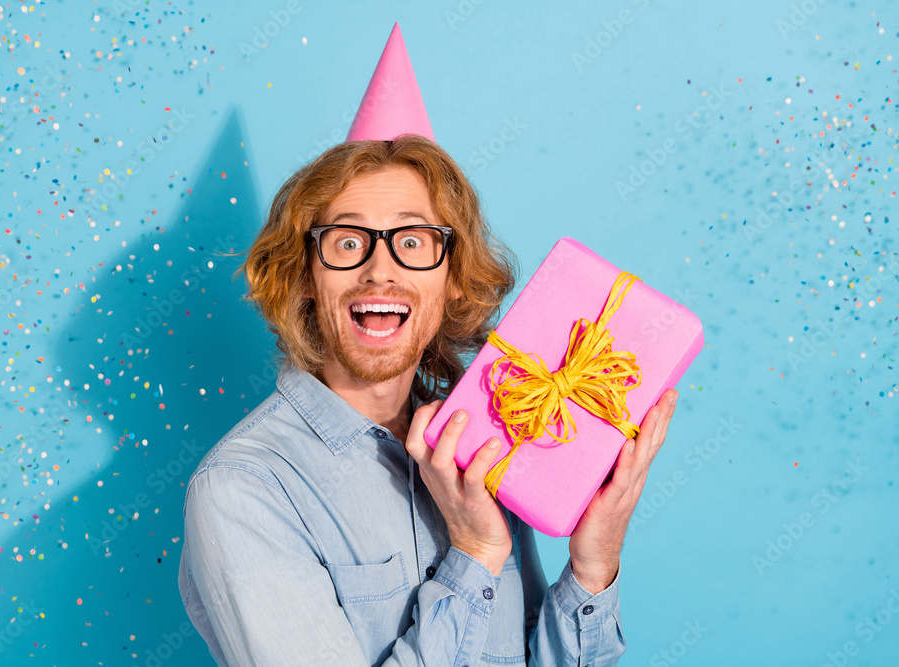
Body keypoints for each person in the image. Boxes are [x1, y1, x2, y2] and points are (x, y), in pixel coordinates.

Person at [178, 24, 678, 667]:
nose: (381, 271)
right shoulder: (244, 488)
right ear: (304, 276)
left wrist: (592, 565)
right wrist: (473, 556)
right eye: (348, 241)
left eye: (413, 242)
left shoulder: (479, 441)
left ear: (452, 278)